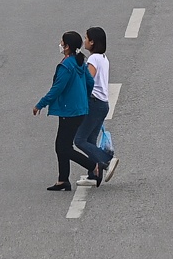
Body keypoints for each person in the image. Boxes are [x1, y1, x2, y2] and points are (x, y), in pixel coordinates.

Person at [32, 31, 99, 192]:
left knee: (64, 147)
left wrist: (40, 104)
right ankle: (63, 180)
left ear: (67, 46)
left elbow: (57, 89)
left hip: (70, 112)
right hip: (78, 109)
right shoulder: (80, 62)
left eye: (62, 42)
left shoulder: (66, 66)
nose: (60, 45)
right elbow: (90, 82)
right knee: (62, 145)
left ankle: (93, 165)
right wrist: (83, 97)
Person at [73, 25, 119, 185]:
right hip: (102, 104)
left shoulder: (93, 59)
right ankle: (94, 175)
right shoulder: (103, 58)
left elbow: (88, 81)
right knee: (90, 139)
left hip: (94, 103)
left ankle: (106, 160)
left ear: (92, 42)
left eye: (86, 38)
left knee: (79, 140)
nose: (84, 41)